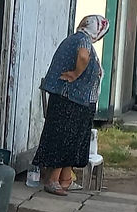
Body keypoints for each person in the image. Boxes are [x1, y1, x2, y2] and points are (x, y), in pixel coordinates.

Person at [32, 15, 109, 195]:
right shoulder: (82, 40)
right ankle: (52, 180)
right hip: (70, 99)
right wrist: (75, 74)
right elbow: (83, 57)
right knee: (64, 139)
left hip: (80, 100)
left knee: (74, 140)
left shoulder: (81, 39)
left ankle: (65, 179)